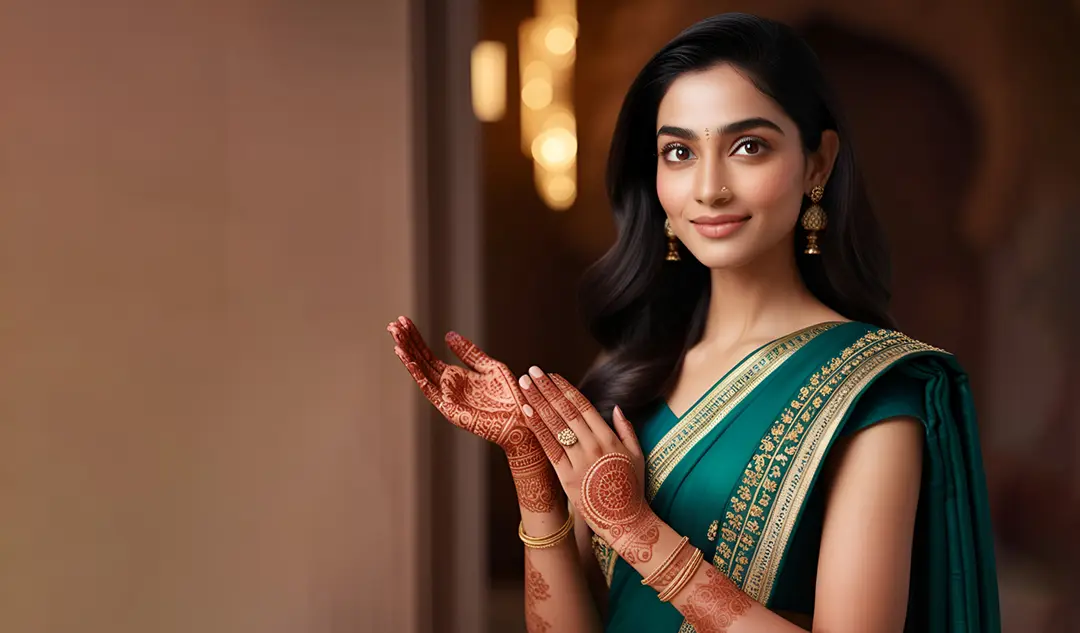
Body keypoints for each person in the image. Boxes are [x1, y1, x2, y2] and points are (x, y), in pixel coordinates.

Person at [387, 12, 999, 633]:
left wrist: (635, 531)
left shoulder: (877, 391)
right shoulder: (632, 376)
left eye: (748, 147)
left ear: (819, 163)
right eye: (679, 152)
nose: (708, 188)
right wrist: (530, 467)